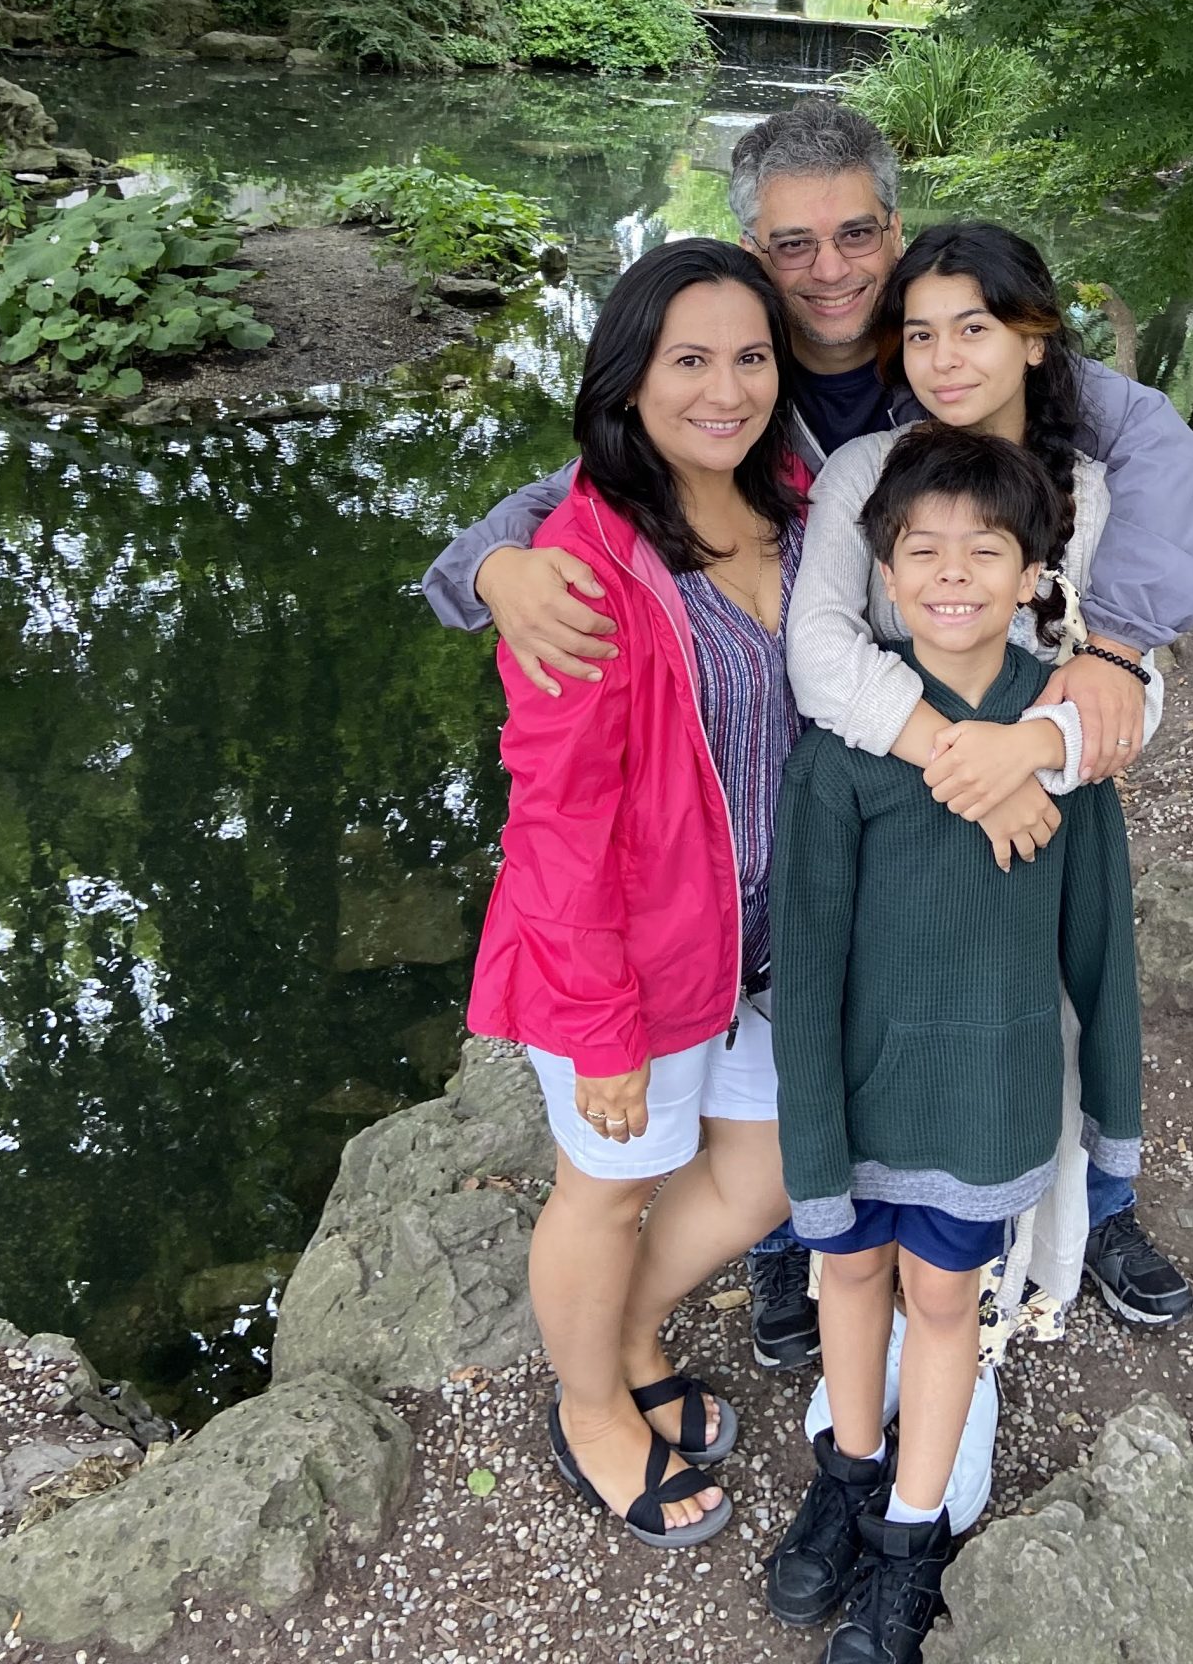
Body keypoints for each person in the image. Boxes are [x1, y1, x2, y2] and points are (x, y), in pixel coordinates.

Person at [423, 97, 1193, 1362]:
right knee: (839, 1008)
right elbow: (599, 473)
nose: (831, 268)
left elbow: (1161, 462)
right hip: (838, 777)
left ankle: (1087, 1209)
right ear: (755, 248)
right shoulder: (746, 368)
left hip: (1021, 750)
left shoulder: (973, 346)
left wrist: (1117, 649)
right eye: (792, 244)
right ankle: (803, 1243)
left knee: (1048, 996)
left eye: (855, 234)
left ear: (894, 230)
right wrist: (487, 566)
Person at [765, 429, 1143, 1661]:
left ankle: (908, 1535)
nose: (952, 575)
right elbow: (806, 966)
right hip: (859, 1093)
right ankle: (848, 1471)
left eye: (985, 551)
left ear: (1035, 574)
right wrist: (810, 1137)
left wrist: (1117, 1120)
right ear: (883, 572)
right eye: (922, 551)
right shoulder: (843, 751)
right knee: (848, 1278)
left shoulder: (1063, 739)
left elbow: (1101, 948)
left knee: (942, 1300)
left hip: (988, 1095)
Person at [465, 237, 803, 1551]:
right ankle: (593, 1408)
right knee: (607, 1188)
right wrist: (601, 1023)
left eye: (751, 357)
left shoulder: (798, 502)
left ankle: (629, 1331)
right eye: (689, 360)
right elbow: (558, 820)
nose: (726, 389)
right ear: (629, 377)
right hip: (632, 958)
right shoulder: (580, 565)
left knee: (761, 1176)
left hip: (770, 947)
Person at [785, 219, 1179, 1338]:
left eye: (974, 328)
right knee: (880, 1059)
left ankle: (1023, 1285)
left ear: (1035, 339)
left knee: (1041, 1051)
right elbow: (818, 652)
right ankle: (852, 1300)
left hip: (1040, 840)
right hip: (897, 833)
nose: (945, 358)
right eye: (919, 334)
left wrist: (1029, 755)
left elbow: (1132, 691)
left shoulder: (1089, 491)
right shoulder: (865, 474)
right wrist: (973, 763)